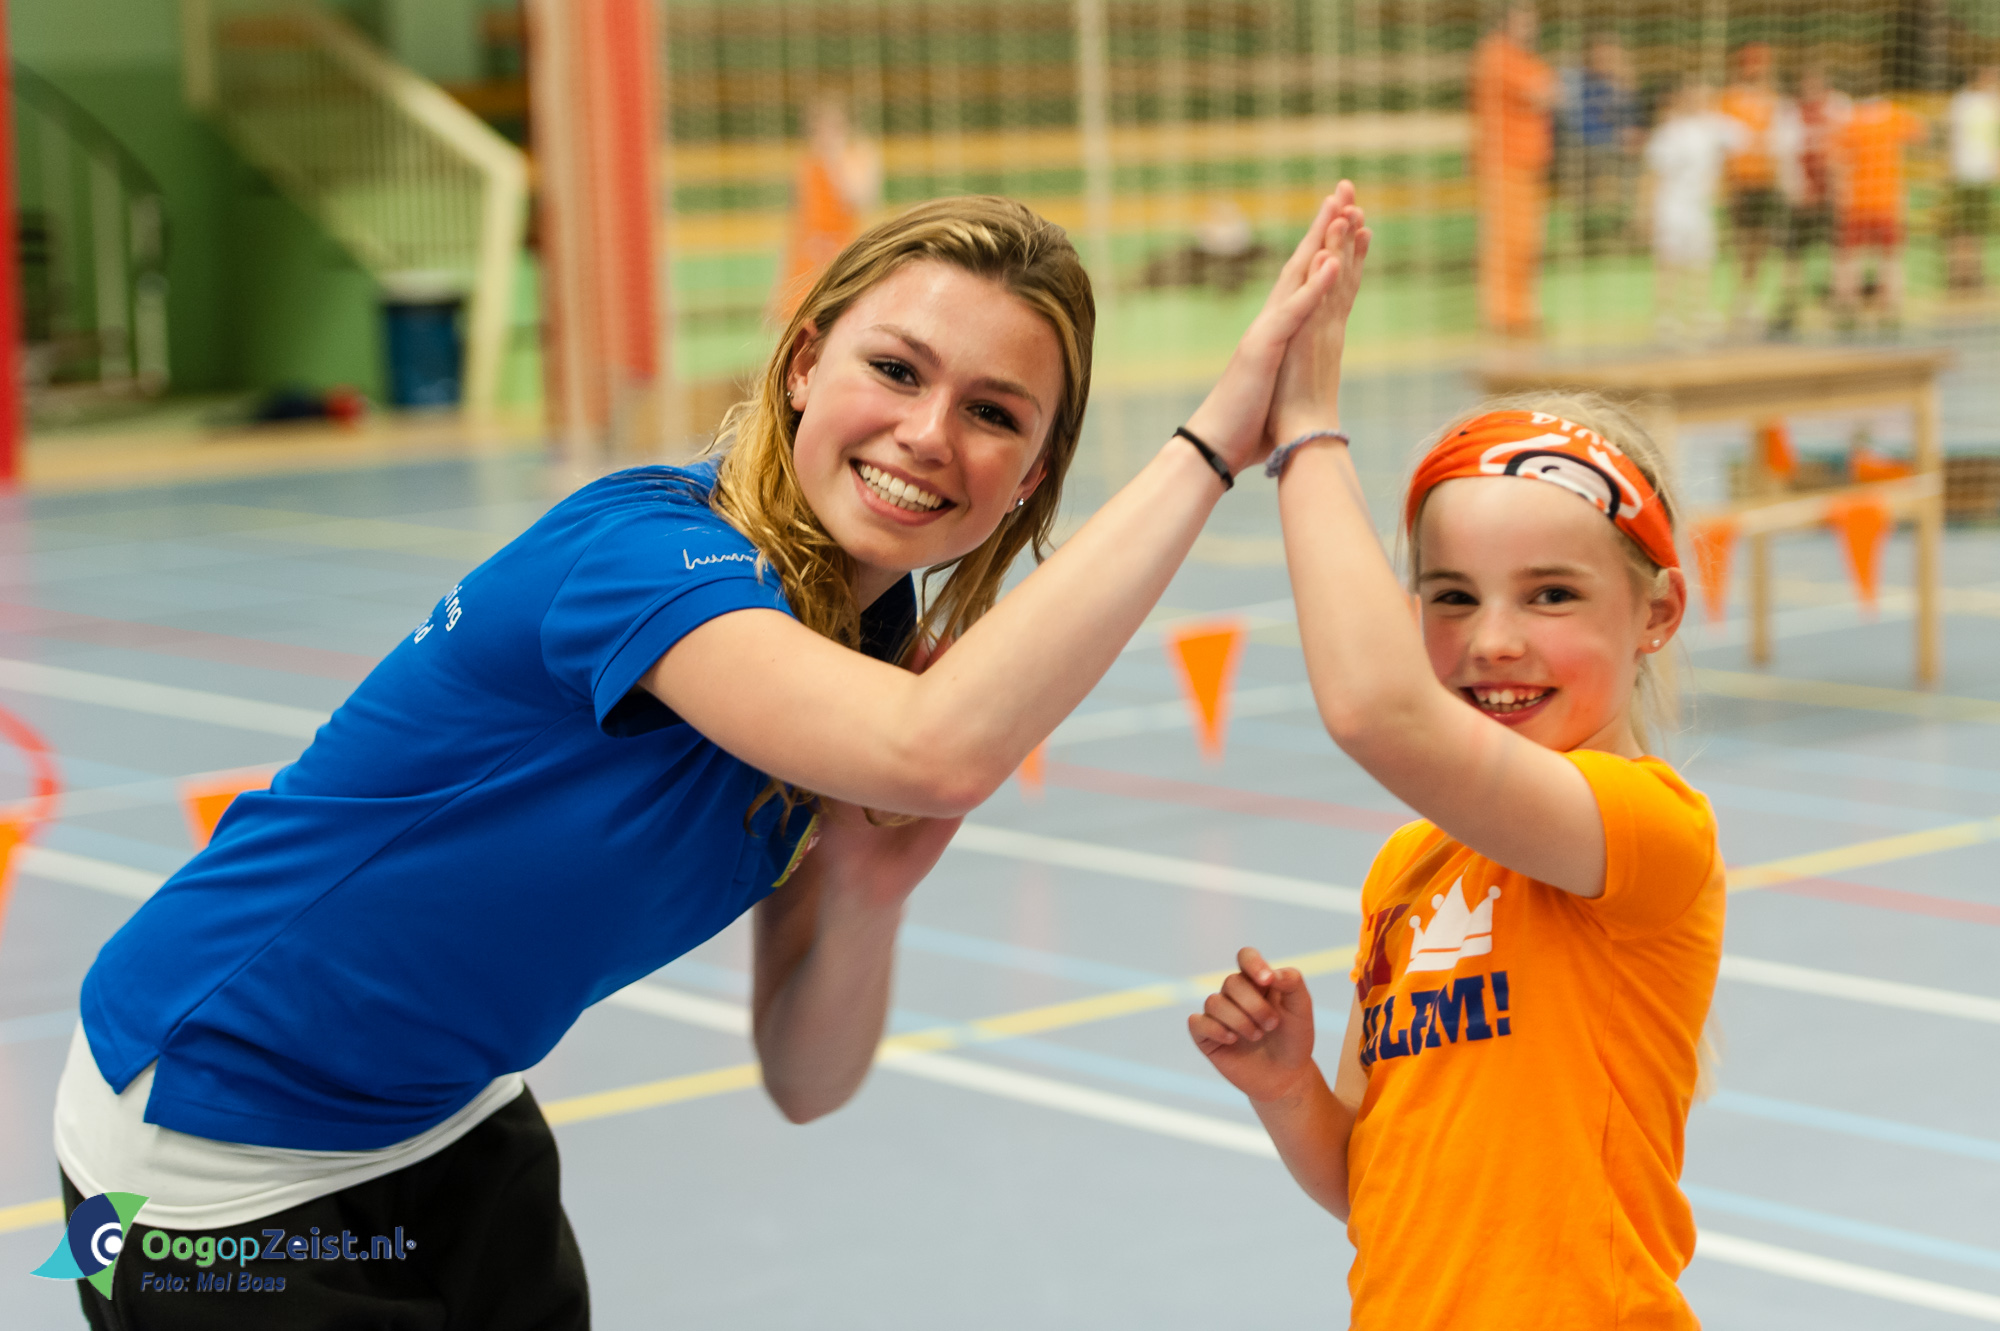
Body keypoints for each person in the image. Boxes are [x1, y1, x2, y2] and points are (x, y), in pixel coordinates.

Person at [55, 190, 1360, 1328]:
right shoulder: (646, 556)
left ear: (1027, 475)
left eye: (993, 411)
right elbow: (941, 747)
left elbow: (805, 1074)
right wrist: (1216, 441)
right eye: (896, 370)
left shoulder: (869, 636)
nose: (927, 433)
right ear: (801, 363)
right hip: (209, 1140)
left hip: (443, 1113)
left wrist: (861, 888)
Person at [1189, 194, 1725, 1326]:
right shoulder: (1407, 870)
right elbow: (1368, 1186)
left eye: (1550, 594)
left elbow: (1380, 712)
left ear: (1656, 613)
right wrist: (1288, 1089)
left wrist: (1307, 431)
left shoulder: (1647, 830)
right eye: (1449, 597)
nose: (1490, 639)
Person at [1471, 3, 1555, 337]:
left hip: (1529, 163)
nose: (1532, 26)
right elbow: (1543, 92)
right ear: (1507, 22)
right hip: (1503, 162)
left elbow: (1550, 91)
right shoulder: (1496, 55)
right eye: (1525, 19)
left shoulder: (1523, 58)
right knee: (1505, 241)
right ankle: (1502, 314)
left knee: (1527, 242)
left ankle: (1520, 312)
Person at [1645, 82, 1749, 343]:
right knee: (1669, 261)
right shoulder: (1670, 131)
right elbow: (1654, 173)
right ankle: (1666, 315)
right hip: (1671, 205)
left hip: (1700, 207)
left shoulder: (1713, 127)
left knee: (1702, 260)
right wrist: (1647, 210)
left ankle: (1698, 310)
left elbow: (1744, 138)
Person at [773, 96, 884, 320]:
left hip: (840, 253)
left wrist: (836, 160)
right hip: (807, 258)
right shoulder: (805, 164)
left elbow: (860, 198)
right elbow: (796, 220)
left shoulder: (857, 157)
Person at [1831, 90, 1928, 330]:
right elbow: (1921, 133)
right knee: (1889, 257)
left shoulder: (1850, 119)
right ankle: (1890, 309)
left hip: (1857, 201)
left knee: (1850, 257)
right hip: (1886, 200)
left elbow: (1837, 162)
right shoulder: (1893, 114)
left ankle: (1847, 308)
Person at [1770, 64, 1852, 334]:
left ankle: (1842, 306)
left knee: (1839, 250)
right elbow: (1783, 153)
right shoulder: (1790, 112)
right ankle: (1790, 306)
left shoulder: (1838, 107)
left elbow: (1847, 147)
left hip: (1832, 194)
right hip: (1802, 196)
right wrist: (1793, 188)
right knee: (1794, 254)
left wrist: (1842, 185)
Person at [1717, 42, 1786, 331]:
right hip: (1739, 182)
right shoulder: (1729, 99)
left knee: (1761, 243)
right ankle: (1739, 298)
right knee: (1741, 242)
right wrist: (1723, 184)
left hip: (1766, 180)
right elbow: (1721, 143)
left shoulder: (1774, 99)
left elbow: (1782, 140)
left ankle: (1751, 297)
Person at [1560, 33, 1642, 252]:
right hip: (1581, 149)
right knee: (1599, 166)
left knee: (1640, 165)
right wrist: (1615, 136)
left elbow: (1631, 120)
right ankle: (1588, 234)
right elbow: (1578, 124)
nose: (1608, 60)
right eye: (1602, 55)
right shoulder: (1578, 82)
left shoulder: (1617, 84)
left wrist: (1623, 91)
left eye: (1612, 55)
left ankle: (1630, 229)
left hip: (1614, 150)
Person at [1945, 66, 2000, 292]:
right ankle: (1959, 276)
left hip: (1983, 174)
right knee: (1961, 229)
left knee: (1977, 229)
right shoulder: (1964, 102)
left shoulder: (1990, 103)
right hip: (1964, 172)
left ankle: (1973, 275)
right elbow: (1951, 136)